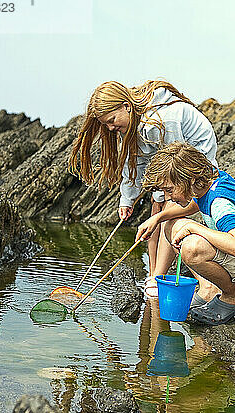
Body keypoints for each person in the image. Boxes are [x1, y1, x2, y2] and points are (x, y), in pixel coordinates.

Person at [69, 80, 217, 297]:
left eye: (112, 120)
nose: (110, 128)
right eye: (106, 124)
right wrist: (126, 201)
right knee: (155, 204)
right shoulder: (132, 125)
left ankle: (159, 275)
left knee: (167, 203)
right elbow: (134, 163)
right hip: (171, 156)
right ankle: (153, 272)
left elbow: (175, 161)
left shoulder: (164, 120)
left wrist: (165, 193)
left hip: (196, 155)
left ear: (126, 107)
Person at [136, 142, 235, 325]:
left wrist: (195, 228)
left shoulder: (219, 201)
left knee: (192, 247)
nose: (168, 196)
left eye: (169, 190)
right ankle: (209, 287)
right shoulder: (209, 184)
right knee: (171, 225)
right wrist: (158, 217)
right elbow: (197, 204)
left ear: (188, 180)